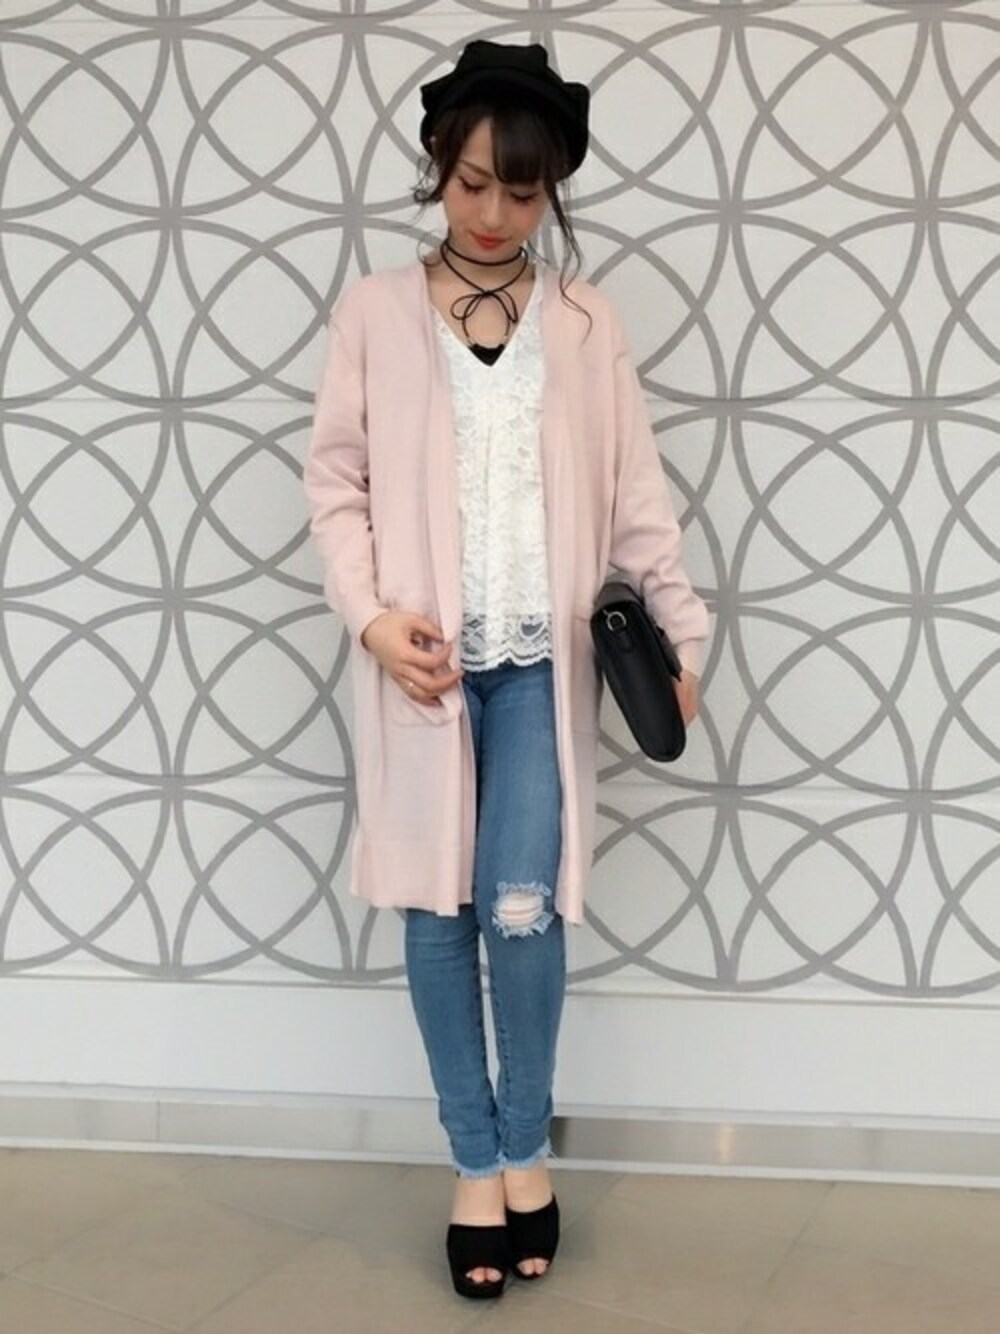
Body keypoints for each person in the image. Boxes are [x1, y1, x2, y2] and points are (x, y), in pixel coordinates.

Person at [303, 39, 709, 1300]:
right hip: (422, 668)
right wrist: (371, 618)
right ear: (438, 167)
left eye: (520, 192)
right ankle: (474, 1163)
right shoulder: (374, 311)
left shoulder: (586, 322)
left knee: (521, 906)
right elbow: (336, 482)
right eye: (472, 182)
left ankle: (527, 1143)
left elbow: (636, 497)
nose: (490, 212)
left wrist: (684, 636)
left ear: (552, 191)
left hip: (539, 664)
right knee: (438, 909)